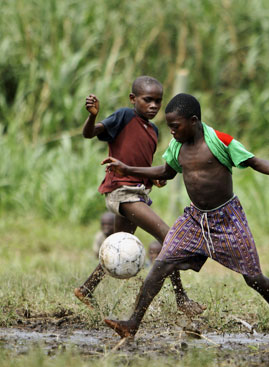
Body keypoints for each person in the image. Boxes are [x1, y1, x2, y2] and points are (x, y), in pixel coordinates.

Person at [102, 93, 269, 338]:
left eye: (176, 126)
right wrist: (128, 168)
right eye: (169, 127)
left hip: (227, 218)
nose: (171, 132)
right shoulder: (177, 146)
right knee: (160, 265)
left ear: (193, 121)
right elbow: (166, 170)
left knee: (253, 277)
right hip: (195, 219)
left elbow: (253, 160)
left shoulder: (219, 140)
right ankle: (132, 324)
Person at [74, 76, 204, 318]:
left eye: (158, 101)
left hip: (138, 193)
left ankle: (87, 288)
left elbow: (139, 162)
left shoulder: (153, 130)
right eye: (147, 100)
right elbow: (89, 133)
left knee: (119, 243)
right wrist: (92, 116)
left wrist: (153, 179)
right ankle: (181, 298)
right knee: (169, 238)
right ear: (133, 99)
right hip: (122, 193)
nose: (153, 106)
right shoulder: (124, 117)